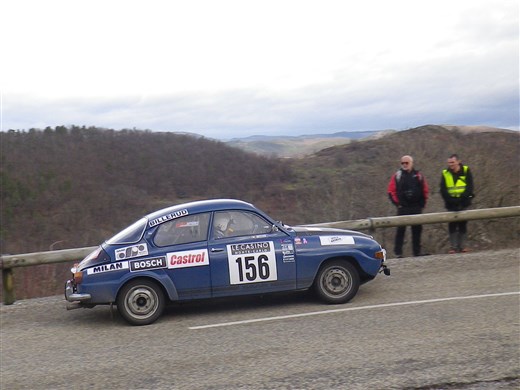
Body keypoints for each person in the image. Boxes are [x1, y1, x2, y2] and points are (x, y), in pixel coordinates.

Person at [387, 155, 429, 257]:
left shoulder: (418, 175)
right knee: (401, 230)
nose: (405, 165)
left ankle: (417, 252)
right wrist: (398, 204)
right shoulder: (397, 176)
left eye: (407, 163)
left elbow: (425, 190)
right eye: (403, 163)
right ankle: (398, 253)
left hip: (416, 207)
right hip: (403, 208)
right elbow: (391, 191)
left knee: (417, 230)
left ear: (411, 163)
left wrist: (422, 204)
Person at [440, 154, 474, 253]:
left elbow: (469, 187)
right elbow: (443, 190)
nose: (451, 165)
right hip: (451, 204)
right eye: (449, 162)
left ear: (458, 161)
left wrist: (462, 199)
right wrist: (451, 200)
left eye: (453, 162)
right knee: (452, 225)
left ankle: (463, 246)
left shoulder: (466, 170)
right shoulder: (445, 173)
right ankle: (453, 247)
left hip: (464, 203)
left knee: (463, 224)